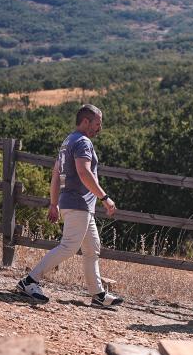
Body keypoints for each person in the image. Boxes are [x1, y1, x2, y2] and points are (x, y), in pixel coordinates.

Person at [17, 104, 123, 308]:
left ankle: (98, 294)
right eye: (97, 124)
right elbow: (84, 173)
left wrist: (54, 203)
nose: (99, 129)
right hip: (79, 203)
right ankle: (29, 281)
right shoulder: (83, 142)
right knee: (69, 247)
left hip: (75, 204)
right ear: (86, 121)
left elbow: (56, 174)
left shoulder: (68, 141)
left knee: (92, 248)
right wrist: (105, 197)